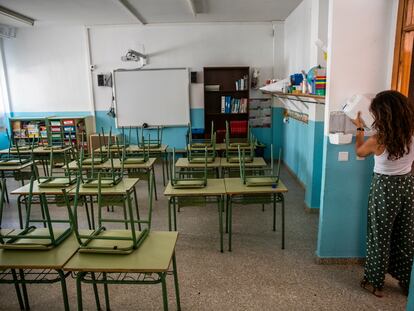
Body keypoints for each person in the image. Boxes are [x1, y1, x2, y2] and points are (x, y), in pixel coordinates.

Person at [353, 90, 414, 297]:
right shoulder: (411, 135)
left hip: (384, 189)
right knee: (405, 236)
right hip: (407, 186)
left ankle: (375, 283)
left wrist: (359, 128)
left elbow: (359, 152)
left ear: (383, 115)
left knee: (379, 236)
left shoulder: (378, 140)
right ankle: (407, 283)